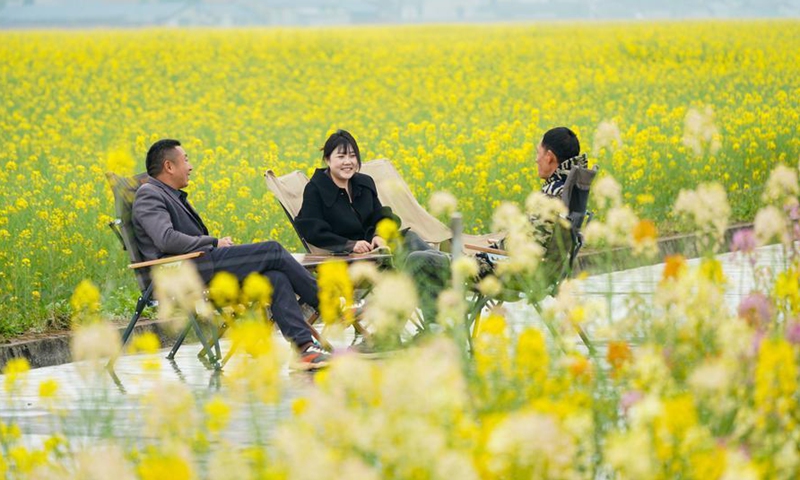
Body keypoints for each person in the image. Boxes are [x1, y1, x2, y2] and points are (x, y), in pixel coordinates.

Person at [132, 139, 329, 369]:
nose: (190, 166)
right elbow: (166, 239)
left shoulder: (168, 194)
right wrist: (213, 242)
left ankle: (304, 349)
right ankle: (330, 304)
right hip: (185, 272)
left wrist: (213, 246)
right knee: (272, 250)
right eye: (185, 160)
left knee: (275, 277)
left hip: (201, 264)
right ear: (169, 166)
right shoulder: (149, 194)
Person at [295, 129, 448, 325]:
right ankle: (453, 269)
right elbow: (312, 230)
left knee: (411, 240)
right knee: (418, 261)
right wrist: (350, 244)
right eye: (341, 156)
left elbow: (381, 214)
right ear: (327, 159)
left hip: (378, 252)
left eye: (352, 156)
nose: (348, 162)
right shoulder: (315, 190)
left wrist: (378, 234)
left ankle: (434, 320)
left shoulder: (363, 183)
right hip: (350, 261)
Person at [535, 126, 588, 198]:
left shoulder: (551, 194)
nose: (536, 160)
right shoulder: (577, 189)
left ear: (549, 156)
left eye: (538, 152)